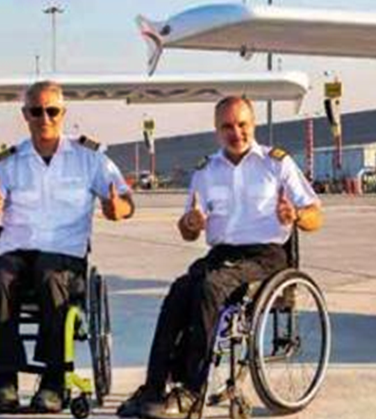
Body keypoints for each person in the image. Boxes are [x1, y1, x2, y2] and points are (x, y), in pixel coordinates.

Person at [117, 96, 323, 419]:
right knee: (180, 291)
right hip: (223, 255)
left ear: (252, 125)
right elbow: (187, 228)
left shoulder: (276, 163)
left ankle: (192, 390)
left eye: (242, 124)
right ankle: (154, 387)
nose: (236, 132)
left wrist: (295, 214)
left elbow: (316, 216)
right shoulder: (206, 171)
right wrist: (191, 224)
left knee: (211, 288)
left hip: (267, 257)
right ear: (216, 130)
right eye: (227, 126)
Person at [0, 80, 134, 413]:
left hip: (63, 258)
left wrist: (118, 209)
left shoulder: (90, 159)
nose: (44, 117)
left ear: (63, 113)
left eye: (52, 110)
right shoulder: (7, 162)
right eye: (36, 111)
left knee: (49, 273)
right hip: (15, 255)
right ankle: (4, 380)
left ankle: (53, 382)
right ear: (25, 115)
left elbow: (125, 200)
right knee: (0, 276)